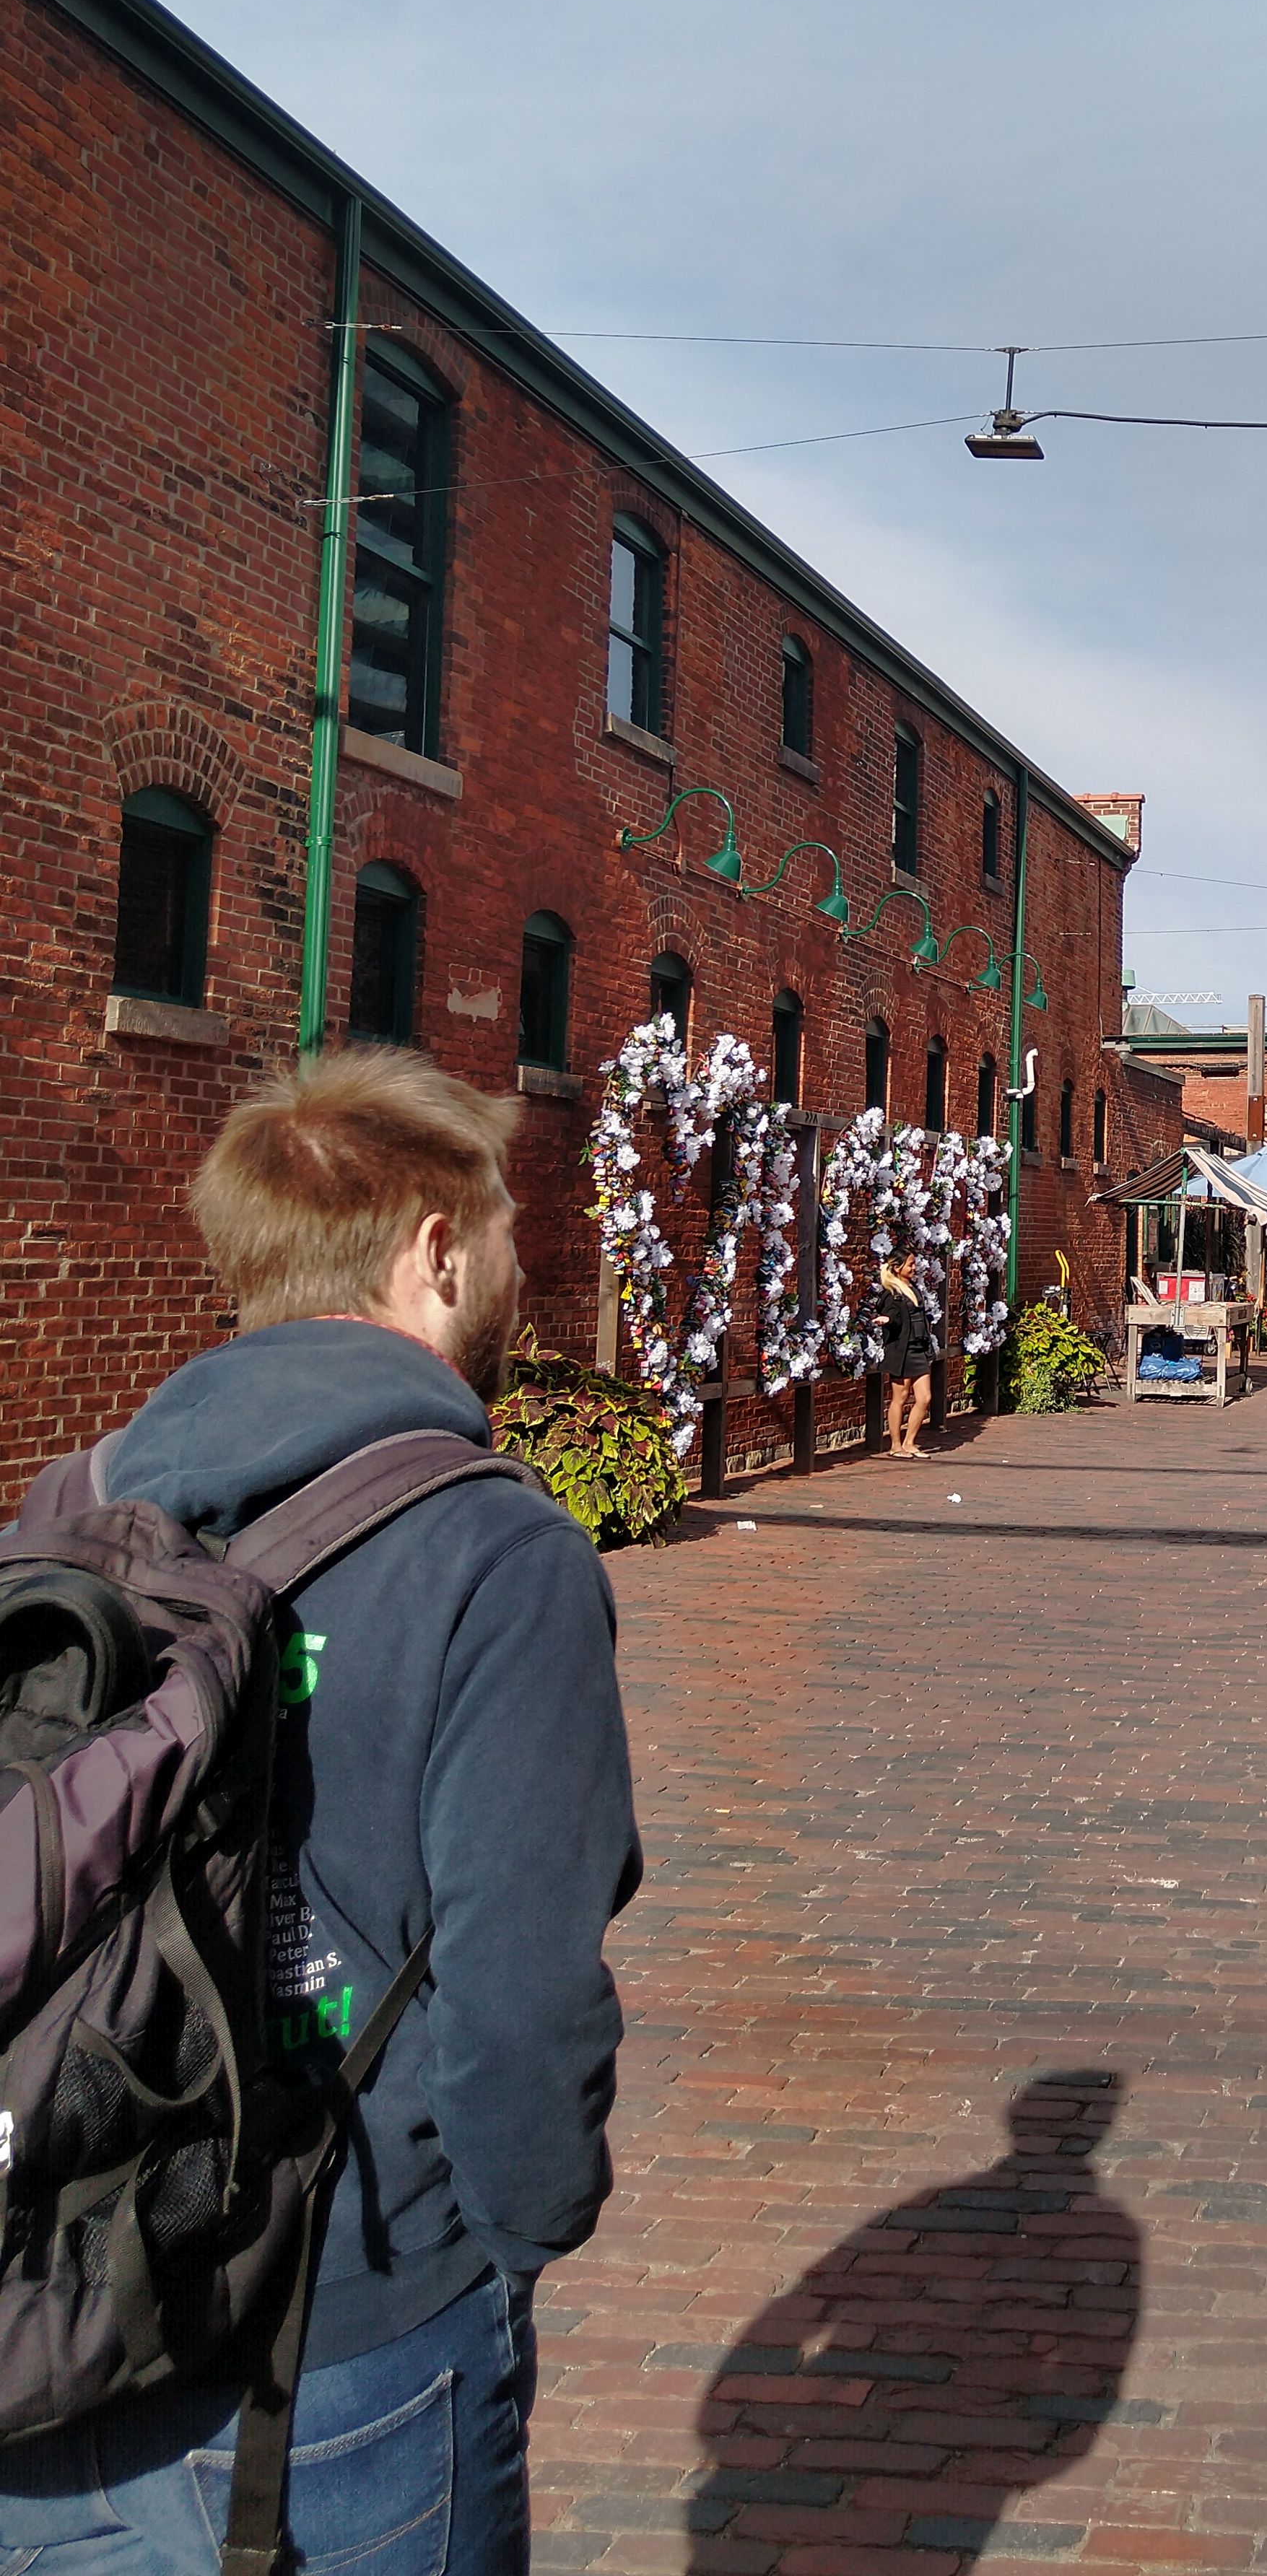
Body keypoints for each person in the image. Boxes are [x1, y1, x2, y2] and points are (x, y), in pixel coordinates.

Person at [0, 1049, 641, 2570]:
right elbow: (523, 1992)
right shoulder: (496, 1551)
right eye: (506, 1237)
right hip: (338, 2337)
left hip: (53, 2309)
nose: (515, 1272)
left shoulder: (73, 1507)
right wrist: (509, 2243)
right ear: (436, 1250)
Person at [876, 1249, 939, 1454]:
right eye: (910, 1264)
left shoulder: (914, 1288)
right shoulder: (892, 1292)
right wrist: (888, 1320)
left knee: (925, 1397)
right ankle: (895, 1445)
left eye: (914, 1263)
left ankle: (909, 1442)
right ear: (897, 1268)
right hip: (902, 1351)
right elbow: (893, 1315)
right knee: (900, 1397)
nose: (914, 1268)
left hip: (919, 1348)